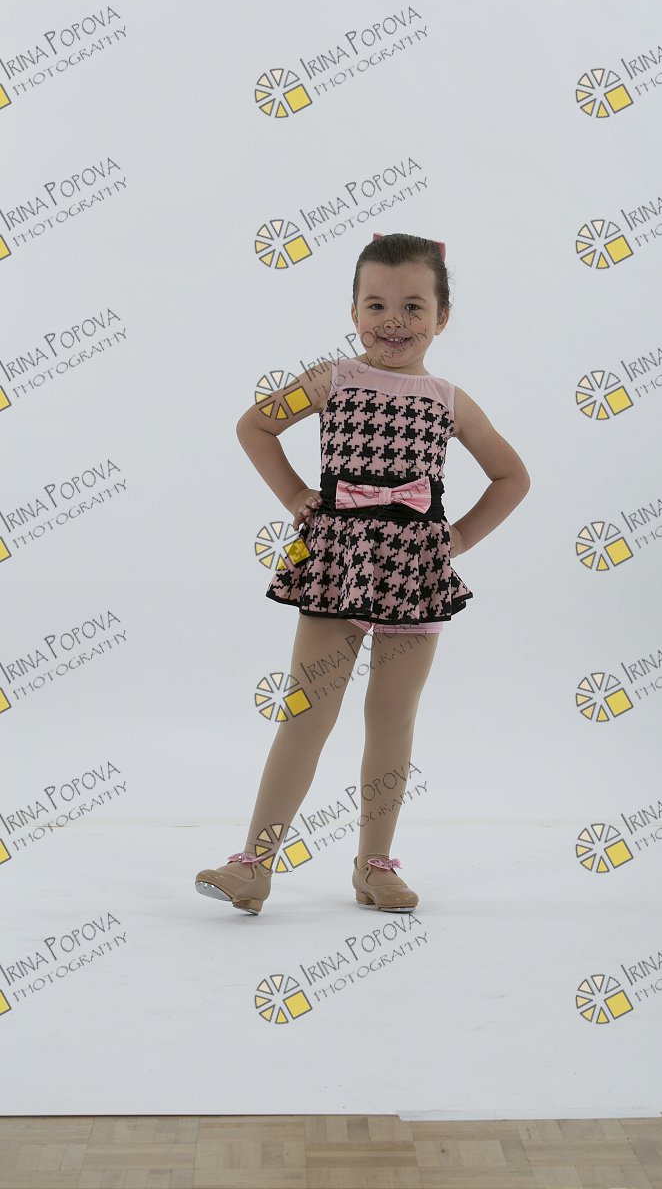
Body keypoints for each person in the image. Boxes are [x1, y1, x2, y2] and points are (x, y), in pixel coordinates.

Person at [195, 232, 531, 916]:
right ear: (352, 311)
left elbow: (512, 476)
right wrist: (296, 496)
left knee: (392, 718)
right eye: (376, 305)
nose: (393, 321)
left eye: (413, 307)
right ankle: (254, 863)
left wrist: (457, 539)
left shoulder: (449, 399)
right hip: (335, 561)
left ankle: (374, 865)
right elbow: (254, 427)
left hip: (413, 573)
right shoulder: (333, 379)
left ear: (442, 317)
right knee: (307, 711)